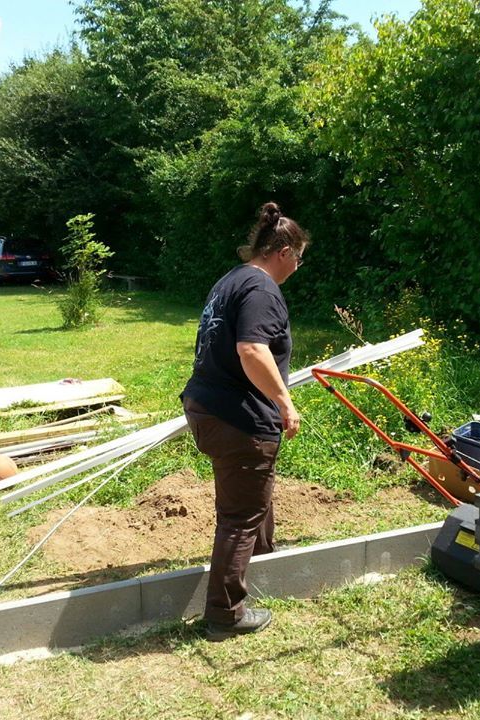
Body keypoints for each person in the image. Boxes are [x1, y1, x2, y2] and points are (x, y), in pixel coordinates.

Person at [181, 201, 309, 641]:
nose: (298, 266)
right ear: (285, 251)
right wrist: (285, 402)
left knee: (254, 494)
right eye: (300, 257)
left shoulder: (231, 280)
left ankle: (264, 555)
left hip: (206, 405)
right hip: (236, 415)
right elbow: (252, 351)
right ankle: (224, 614)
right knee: (239, 514)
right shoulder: (261, 290)